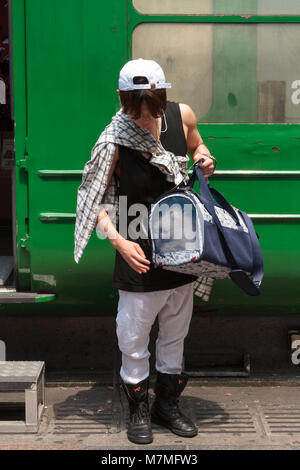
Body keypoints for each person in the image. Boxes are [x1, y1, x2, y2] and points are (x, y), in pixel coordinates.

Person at [74, 58, 216, 444]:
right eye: (134, 107)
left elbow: (198, 144)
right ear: (122, 100)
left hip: (182, 248)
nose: (143, 116)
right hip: (136, 252)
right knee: (133, 340)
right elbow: (93, 202)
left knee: (175, 335)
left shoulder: (180, 115)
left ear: (162, 95)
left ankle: (166, 406)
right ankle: (138, 408)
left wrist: (205, 157)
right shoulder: (113, 139)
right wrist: (118, 243)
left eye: (149, 106)